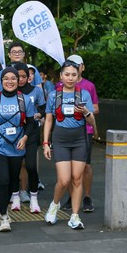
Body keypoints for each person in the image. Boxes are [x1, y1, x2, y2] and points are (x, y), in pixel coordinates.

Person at [43, 60, 96, 230]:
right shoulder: (54, 96)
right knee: (64, 180)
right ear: (61, 76)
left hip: (80, 140)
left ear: (78, 76)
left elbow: (92, 121)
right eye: (67, 74)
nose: (70, 78)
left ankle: (74, 216)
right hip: (60, 140)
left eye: (74, 74)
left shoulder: (84, 94)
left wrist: (86, 112)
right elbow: (48, 120)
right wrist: (46, 143)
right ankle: (54, 204)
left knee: (77, 178)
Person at [0, 67, 36, 231]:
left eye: (13, 78)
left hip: (16, 146)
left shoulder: (25, 100)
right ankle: (4, 217)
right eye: (6, 79)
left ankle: (3, 207)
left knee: (13, 180)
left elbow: (31, 123)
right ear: (1, 81)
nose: (10, 81)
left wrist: (25, 138)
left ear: (18, 81)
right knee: (3, 180)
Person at [60, 54, 100, 213]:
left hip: (84, 131)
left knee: (86, 166)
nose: (70, 76)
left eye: (77, 66)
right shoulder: (59, 86)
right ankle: (72, 197)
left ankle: (87, 197)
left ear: (82, 67)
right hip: (65, 132)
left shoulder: (89, 86)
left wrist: (84, 110)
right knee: (68, 168)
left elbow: (96, 108)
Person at [12, 63, 46, 211]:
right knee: (14, 166)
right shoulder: (9, 91)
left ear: (29, 77)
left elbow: (44, 108)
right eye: (17, 77)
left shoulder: (36, 91)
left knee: (31, 165)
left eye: (23, 76)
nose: (20, 79)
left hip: (31, 131)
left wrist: (39, 114)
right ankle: (15, 196)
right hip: (14, 133)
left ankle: (34, 197)